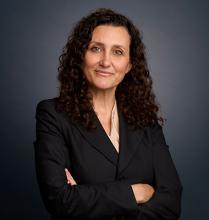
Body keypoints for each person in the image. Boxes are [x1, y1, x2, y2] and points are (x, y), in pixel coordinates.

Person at [34, 8, 182, 220]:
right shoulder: (53, 114)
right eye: (96, 48)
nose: (105, 61)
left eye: (118, 52)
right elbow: (60, 200)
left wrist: (87, 199)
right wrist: (136, 192)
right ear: (80, 55)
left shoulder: (146, 120)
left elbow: (171, 203)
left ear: (130, 65)